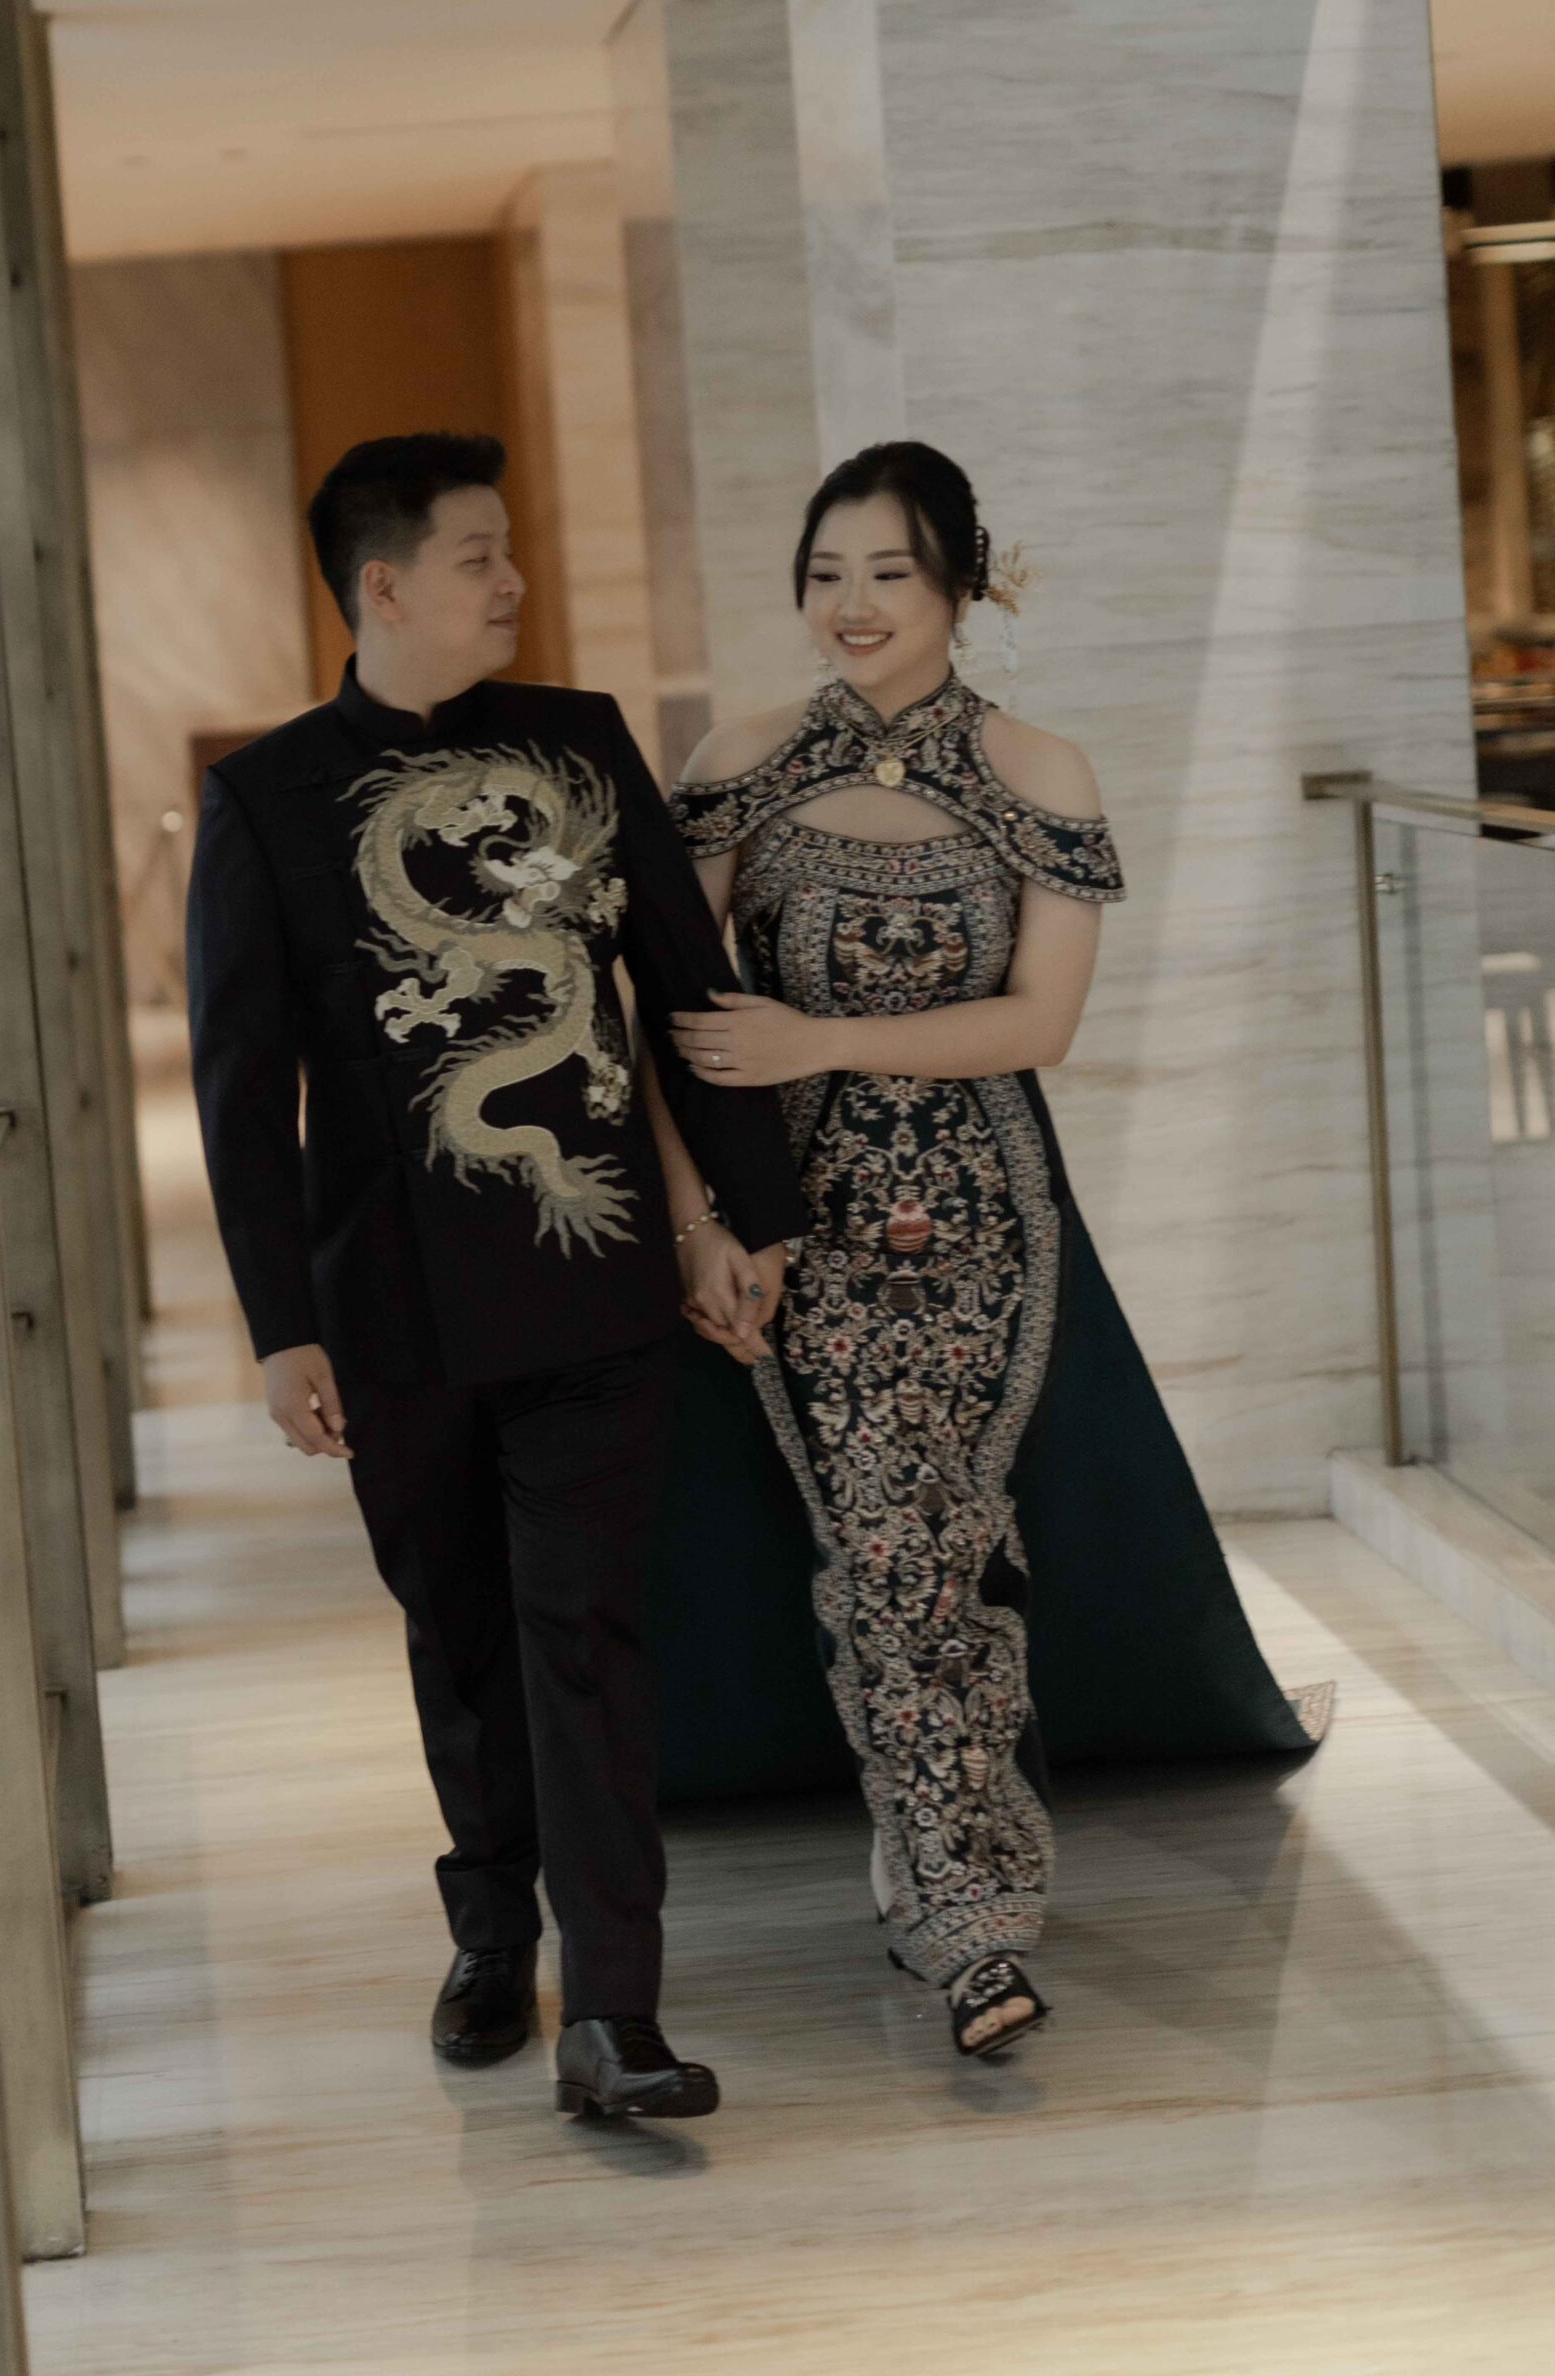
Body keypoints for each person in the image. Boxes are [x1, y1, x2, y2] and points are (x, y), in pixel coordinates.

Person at [645, 440, 1326, 2061]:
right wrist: (697, 1223)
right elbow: (662, 1017)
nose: (853, 604)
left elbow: (1041, 1022)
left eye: (888, 572)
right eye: (825, 574)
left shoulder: (1040, 771)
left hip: (982, 1226)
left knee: (942, 1542)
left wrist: (816, 1038)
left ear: (962, 580)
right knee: (887, 1546)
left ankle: (952, 1884)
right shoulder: (741, 763)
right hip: (797, 1229)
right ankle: (963, 1910)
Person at [185, 431, 807, 2121]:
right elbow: (241, 1090)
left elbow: (686, 984)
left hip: (591, 1277)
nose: (513, 580)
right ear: (384, 586)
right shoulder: (267, 797)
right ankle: (488, 1931)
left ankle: (615, 2012)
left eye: (509, 550)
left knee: (585, 1633)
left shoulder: (579, 745)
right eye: (480, 556)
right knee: (459, 1633)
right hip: (393, 1307)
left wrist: (746, 1215)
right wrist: (280, 1327)